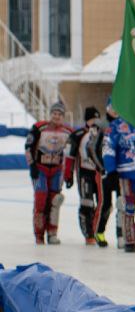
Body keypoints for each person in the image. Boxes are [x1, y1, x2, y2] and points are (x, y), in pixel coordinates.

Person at [25, 100, 74, 244]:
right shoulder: (39, 127)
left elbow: (74, 153)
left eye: (59, 114)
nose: (57, 116)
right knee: (41, 200)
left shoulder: (68, 132)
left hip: (57, 170)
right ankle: (39, 234)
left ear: (63, 116)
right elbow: (28, 147)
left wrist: (69, 173)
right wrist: (32, 166)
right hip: (40, 169)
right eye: (54, 113)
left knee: (55, 201)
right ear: (50, 114)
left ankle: (52, 233)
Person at [102, 98, 135, 252]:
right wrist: (111, 170)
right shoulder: (115, 126)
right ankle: (129, 240)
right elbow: (108, 148)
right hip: (125, 173)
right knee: (128, 206)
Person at [71, 107, 109, 246]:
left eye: (97, 119)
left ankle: (96, 229)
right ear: (87, 120)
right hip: (85, 173)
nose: (95, 121)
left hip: (99, 172)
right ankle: (88, 234)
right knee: (87, 203)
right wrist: (68, 175)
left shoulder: (104, 133)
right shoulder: (79, 134)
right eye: (92, 119)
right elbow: (70, 156)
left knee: (103, 203)